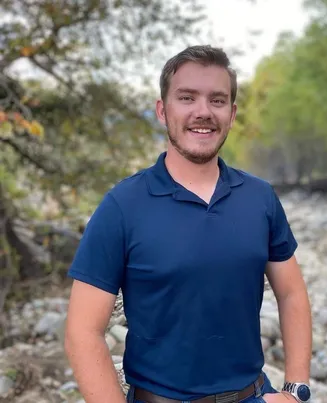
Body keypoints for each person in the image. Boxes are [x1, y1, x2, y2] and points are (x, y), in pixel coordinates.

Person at [64, 45, 313, 403]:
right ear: (163, 111)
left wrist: (295, 389)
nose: (203, 112)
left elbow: (291, 293)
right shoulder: (121, 206)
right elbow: (83, 332)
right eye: (187, 97)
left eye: (217, 100)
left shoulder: (260, 198)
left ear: (232, 113)